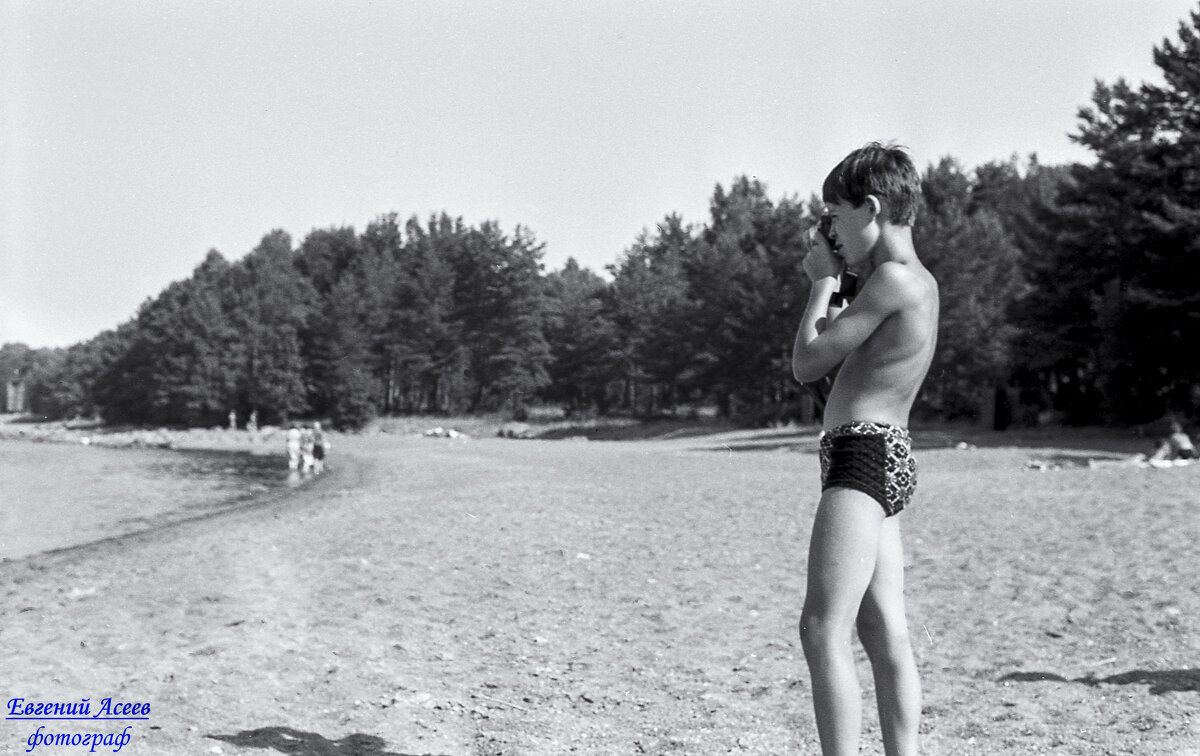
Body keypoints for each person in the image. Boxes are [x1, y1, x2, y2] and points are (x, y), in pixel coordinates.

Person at [791, 142, 939, 756]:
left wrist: (822, 284)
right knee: (883, 635)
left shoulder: (892, 282)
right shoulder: (913, 281)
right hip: (886, 455)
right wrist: (841, 279)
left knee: (822, 628)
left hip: (863, 455)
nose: (830, 229)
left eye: (835, 214)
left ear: (871, 207)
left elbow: (807, 362)